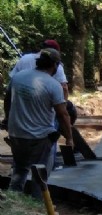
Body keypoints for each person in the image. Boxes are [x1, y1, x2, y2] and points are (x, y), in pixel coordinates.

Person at [4, 48, 73, 199]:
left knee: (19, 170)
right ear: (55, 65)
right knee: (40, 174)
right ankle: (37, 205)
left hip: (17, 134)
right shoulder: (53, 85)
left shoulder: (18, 77)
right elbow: (63, 114)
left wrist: (9, 121)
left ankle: (13, 203)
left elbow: (8, 101)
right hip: (39, 137)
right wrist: (69, 138)